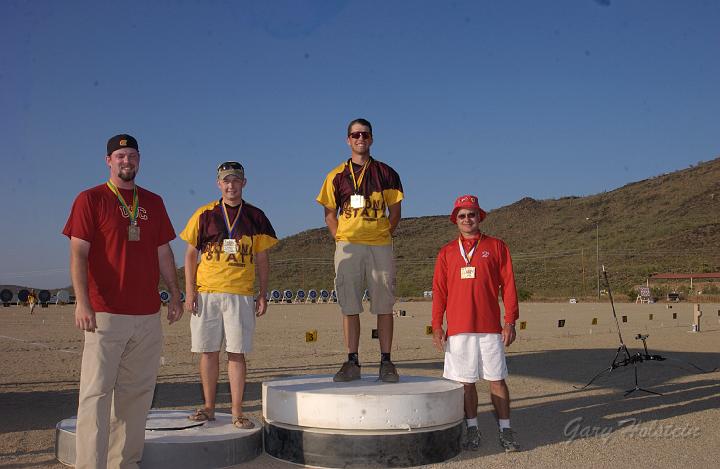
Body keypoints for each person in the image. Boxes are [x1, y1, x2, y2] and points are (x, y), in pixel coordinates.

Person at [63, 133, 183, 469]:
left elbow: (163, 252)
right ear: (108, 161)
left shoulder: (154, 202)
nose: (126, 161)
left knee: (137, 398)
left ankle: (126, 463)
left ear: (139, 160)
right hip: (105, 314)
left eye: (132, 155)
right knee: (96, 396)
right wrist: (82, 302)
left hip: (147, 316)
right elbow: (78, 253)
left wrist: (175, 294)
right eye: (120, 156)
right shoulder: (90, 199)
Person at [180, 161, 277, 429]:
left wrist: (263, 293)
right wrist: (189, 291)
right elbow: (190, 255)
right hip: (207, 293)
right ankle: (209, 408)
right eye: (226, 180)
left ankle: (237, 412)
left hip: (240, 294)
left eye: (235, 180)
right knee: (208, 352)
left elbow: (262, 258)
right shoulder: (204, 214)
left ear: (244, 183)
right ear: (218, 184)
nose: (231, 185)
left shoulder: (255, 216)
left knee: (237, 353)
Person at [316, 118, 404, 383]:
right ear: (348, 140)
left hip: (379, 245)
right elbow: (329, 214)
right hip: (349, 246)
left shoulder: (387, 173)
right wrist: (340, 239)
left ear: (372, 139)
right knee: (349, 304)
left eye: (365, 134)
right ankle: (352, 360)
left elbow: (395, 212)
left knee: (384, 304)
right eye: (355, 135)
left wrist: (383, 234)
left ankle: (386, 361)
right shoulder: (336, 176)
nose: (360, 139)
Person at [431, 195, 521, 453]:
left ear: (479, 216)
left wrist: (510, 320)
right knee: (465, 383)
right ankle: (472, 428)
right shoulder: (447, 252)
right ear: (455, 220)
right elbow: (439, 291)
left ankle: (505, 430)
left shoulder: (496, 246)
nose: (467, 219)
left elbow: (509, 285)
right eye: (462, 215)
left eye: (472, 214)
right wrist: (437, 325)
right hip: (459, 329)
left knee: (497, 380)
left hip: (490, 328)